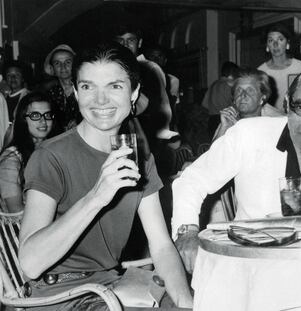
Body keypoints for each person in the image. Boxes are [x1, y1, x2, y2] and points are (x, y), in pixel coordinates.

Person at [18, 42, 193, 310]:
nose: (100, 100)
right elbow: (30, 265)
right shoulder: (51, 157)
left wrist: (186, 304)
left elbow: (161, 246)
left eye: (115, 86)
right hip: (60, 295)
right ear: (76, 92)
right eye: (88, 87)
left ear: (134, 93)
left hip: (111, 288)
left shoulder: (140, 159)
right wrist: (97, 196)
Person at [172, 67, 301, 273]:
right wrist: (187, 233)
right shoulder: (248, 134)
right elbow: (192, 181)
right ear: (286, 103)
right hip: (252, 264)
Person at [114, 25, 178, 141]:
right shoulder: (111, 69)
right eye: (120, 41)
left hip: (148, 135)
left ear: (139, 43)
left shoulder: (150, 68)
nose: (125, 45)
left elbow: (162, 103)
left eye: (131, 40)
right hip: (122, 134)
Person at [0, 92, 61, 213]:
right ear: (23, 119)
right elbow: (15, 210)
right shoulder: (11, 158)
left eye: (47, 115)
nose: (43, 121)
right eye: (35, 115)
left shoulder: (55, 150)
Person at [213, 68, 282, 140]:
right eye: (238, 91)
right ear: (234, 98)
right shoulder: (229, 119)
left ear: (262, 97)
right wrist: (223, 129)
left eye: (250, 91)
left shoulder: (276, 122)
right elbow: (213, 151)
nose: (243, 95)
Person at [258, 23, 301, 113]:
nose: (275, 44)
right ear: (267, 46)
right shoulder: (261, 71)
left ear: (287, 43)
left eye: (280, 39)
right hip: (270, 119)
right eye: (270, 40)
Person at [44, 44, 81, 131]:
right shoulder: (49, 93)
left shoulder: (85, 88)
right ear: (52, 68)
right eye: (57, 63)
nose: (63, 67)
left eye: (68, 62)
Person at [201, 61, 240, 139]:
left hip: (211, 121)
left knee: (214, 147)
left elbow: (204, 104)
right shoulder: (229, 85)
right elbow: (235, 105)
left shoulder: (213, 84)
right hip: (224, 120)